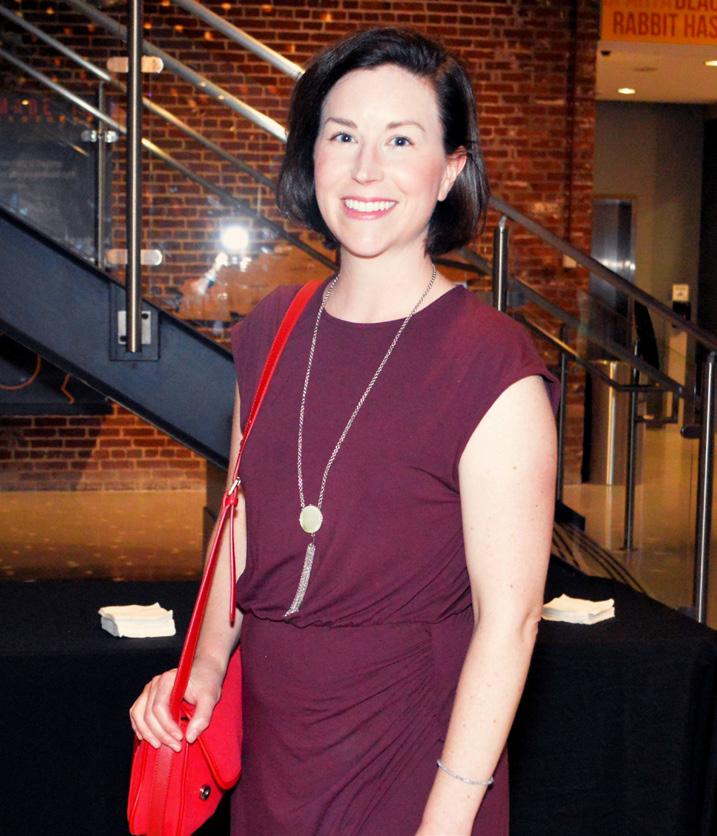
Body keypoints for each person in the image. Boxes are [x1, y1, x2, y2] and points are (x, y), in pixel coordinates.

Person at [130, 27, 561, 836]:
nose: (366, 169)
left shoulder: (491, 365)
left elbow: (509, 623)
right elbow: (240, 522)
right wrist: (206, 668)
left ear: (450, 171)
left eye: (400, 140)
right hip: (275, 748)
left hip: (415, 758)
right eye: (342, 136)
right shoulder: (272, 327)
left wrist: (446, 821)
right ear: (311, 155)